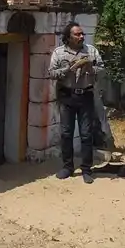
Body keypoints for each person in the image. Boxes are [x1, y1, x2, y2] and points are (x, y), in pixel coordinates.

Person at [48, 22, 105, 184]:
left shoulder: (91, 51)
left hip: (86, 95)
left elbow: (102, 70)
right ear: (68, 37)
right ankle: (67, 167)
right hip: (66, 95)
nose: (81, 37)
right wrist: (69, 69)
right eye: (77, 34)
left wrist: (89, 68)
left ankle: (86, 169)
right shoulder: (59, 53)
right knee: (66, 133)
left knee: (86, 133)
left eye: (82, 34)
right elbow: (51, 73)